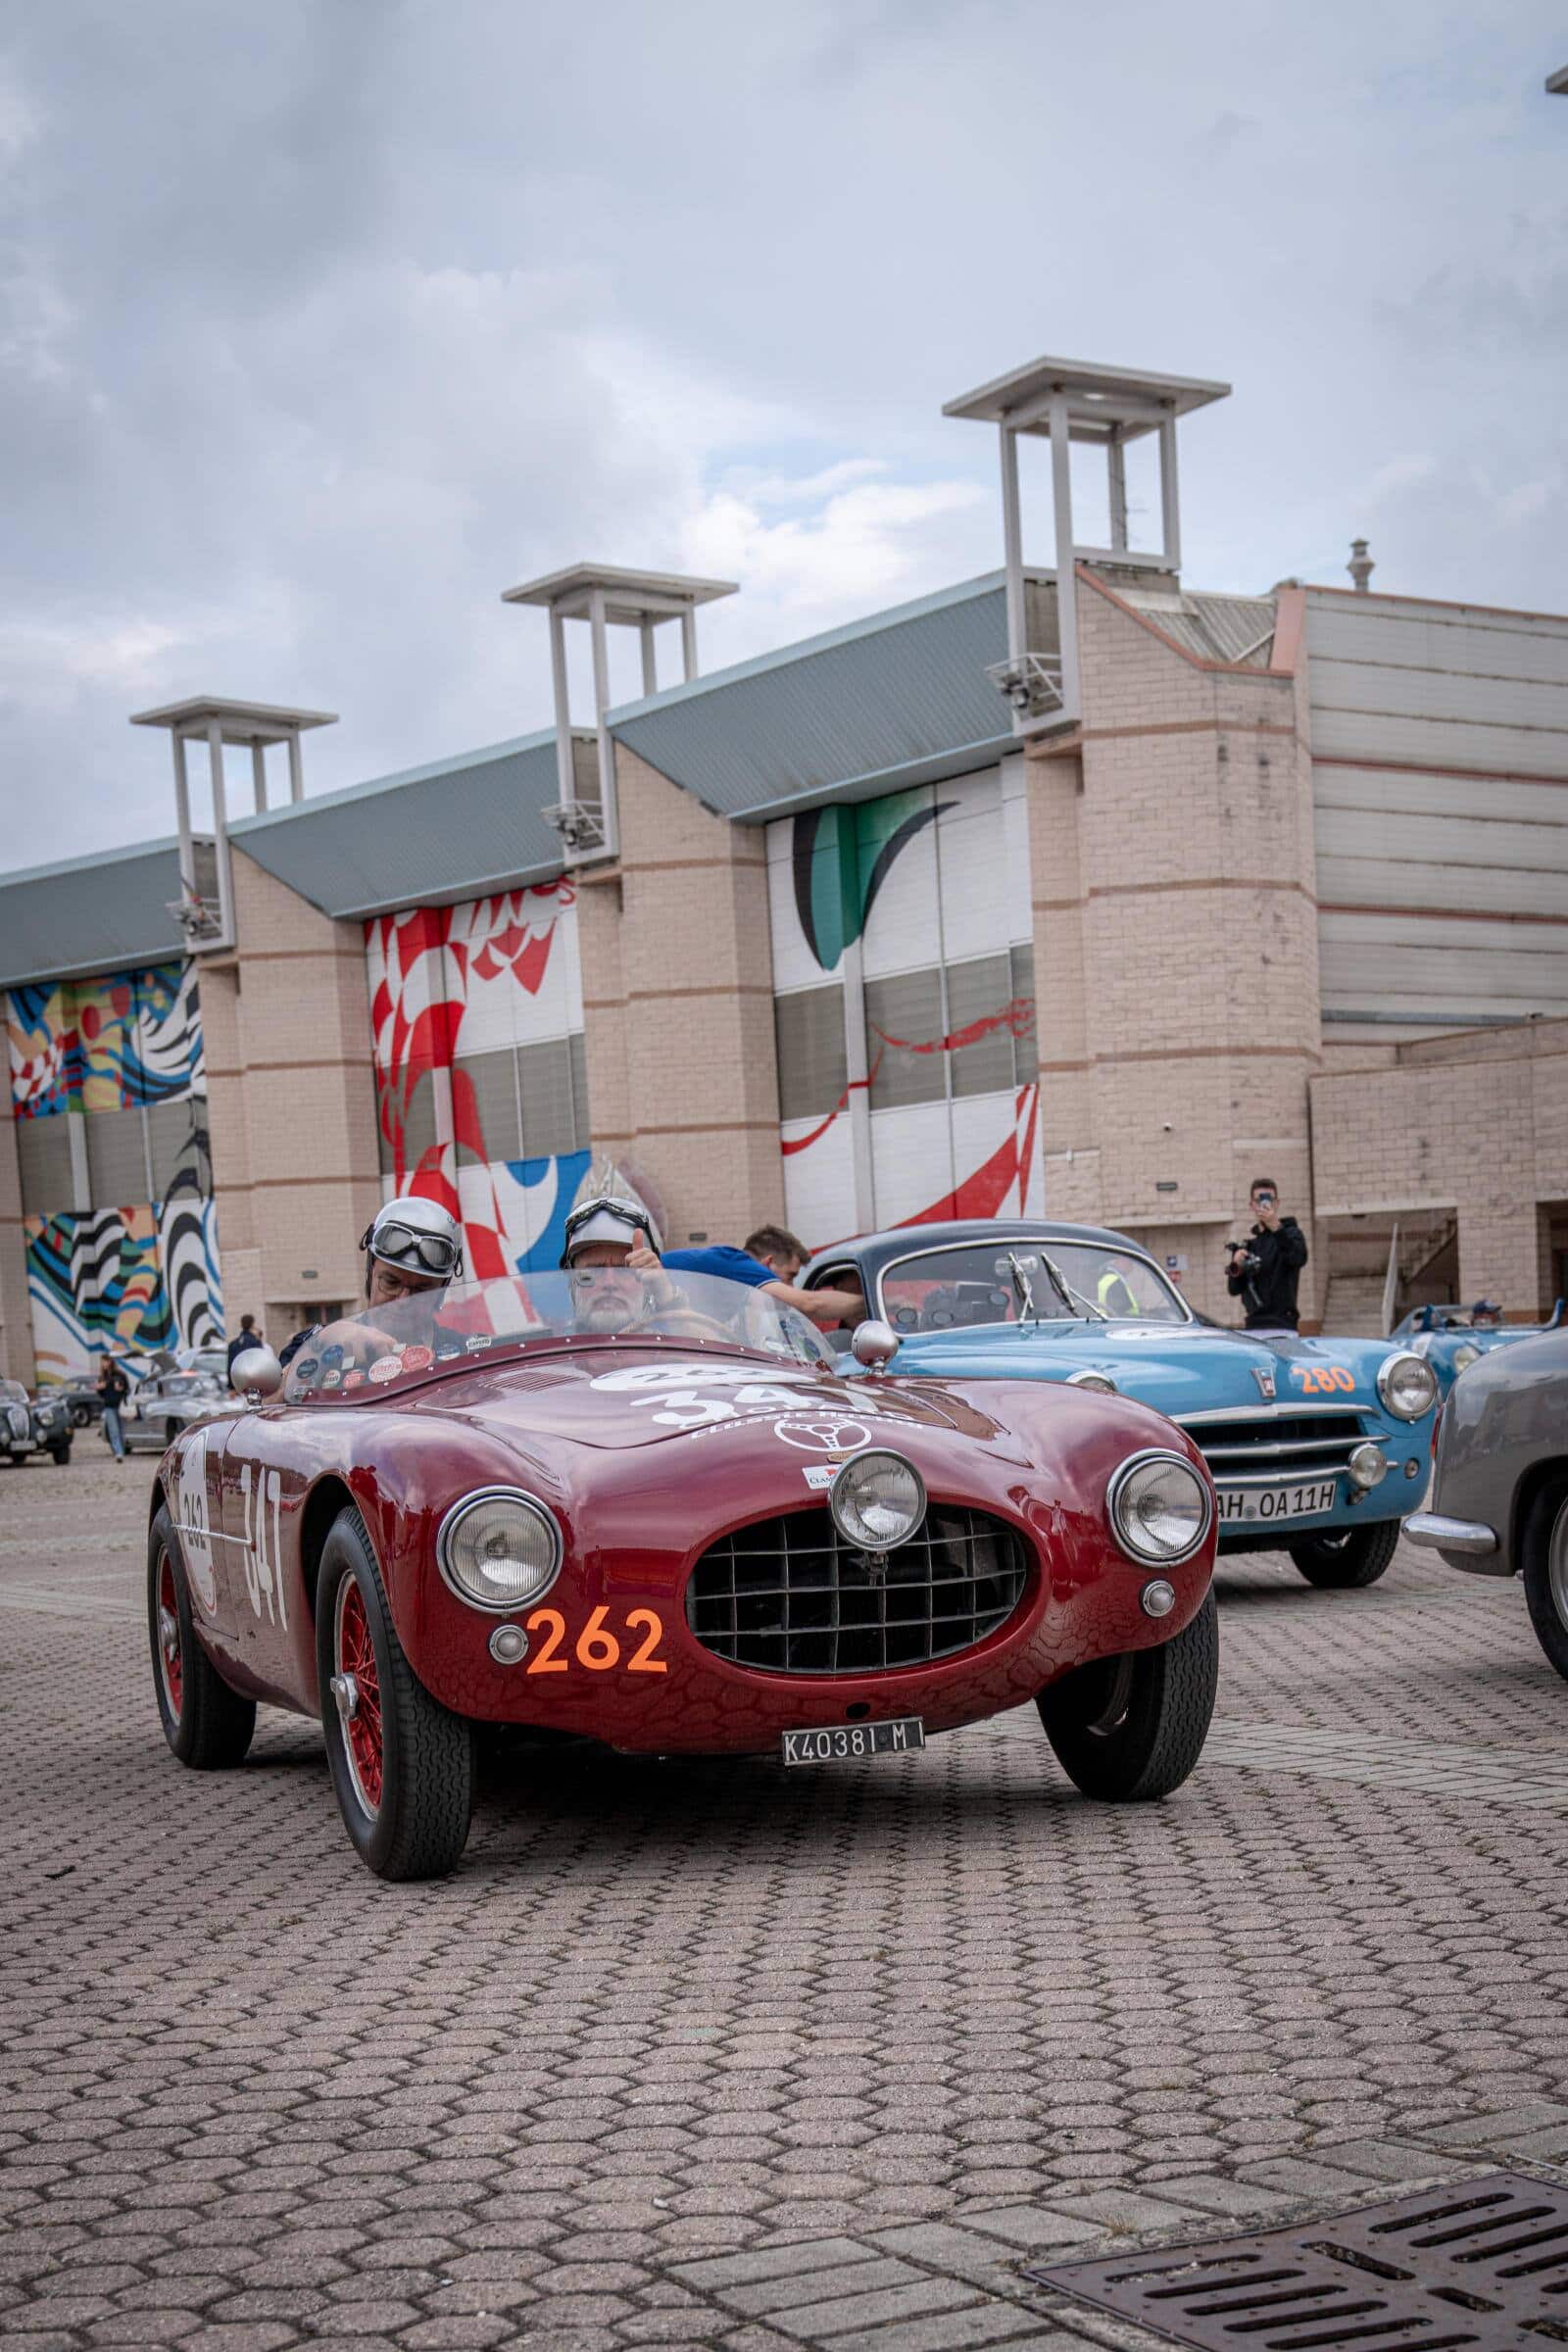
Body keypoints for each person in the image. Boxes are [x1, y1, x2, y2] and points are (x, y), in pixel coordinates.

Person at [279, 1196, 465, 1371]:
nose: (403, 1299)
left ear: (442, 1289)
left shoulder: (466, 1354)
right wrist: (319, 1347)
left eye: (421, 1290)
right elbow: (268, 1400)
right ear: (371, 1271)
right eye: (391, 1282)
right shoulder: (320, 1345)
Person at [733, 1222, 866, 1329]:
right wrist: (871, 1301)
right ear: (768, 1265)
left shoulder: (747, 1302)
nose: (792, 1286)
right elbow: (810, 1304)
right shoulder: (727, 1266)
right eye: (790, 1276)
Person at [1226, 1178, 1308, 1331]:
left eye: (1268, 1200)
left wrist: (1276, 1227)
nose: (1264, 1205)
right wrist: (1236, 1265)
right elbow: (1234, 1289)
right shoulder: (1250, 1246)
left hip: (1283, 1323)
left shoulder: (1291, 1234)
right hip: (1254, 1325)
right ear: (1252, 1205)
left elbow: (1298, 1258)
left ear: (1276, 1203)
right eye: (1259, 1200)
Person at [96, 1354, 130, 1460]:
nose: (103, 1364)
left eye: (104, 1361)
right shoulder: (102, 1377)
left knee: (121, 1430)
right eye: (102, 1362)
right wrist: (99, 1388)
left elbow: (127, 1389)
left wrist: (121, 1389)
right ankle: (119, 1453)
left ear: (110, 1362)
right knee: (113, 1430)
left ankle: (122, 1451)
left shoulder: (120, 1375)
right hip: (109, 1406)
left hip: (120, 1406)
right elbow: (101, 1394)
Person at [225, 1313, 262, 1384]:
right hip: (253, 1382)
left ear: (241, 1325)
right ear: (252, 1324)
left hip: (238, 1382)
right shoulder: (255, 1342)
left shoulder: (233, 1344)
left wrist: (231, 1385)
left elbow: (230, 1365)